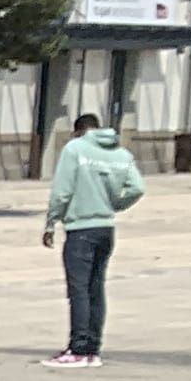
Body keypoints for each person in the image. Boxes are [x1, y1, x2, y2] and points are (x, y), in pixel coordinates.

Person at [41, 111, 144, 367]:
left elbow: (62, 191)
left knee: (78, 290)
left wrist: (51, 221)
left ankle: (77, 347)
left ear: (78, 131)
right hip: (106, 228)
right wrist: (114, 203)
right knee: (96, 289)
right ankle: (92, 349)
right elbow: (137, 187)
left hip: (80, 228)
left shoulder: (74, 149)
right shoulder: (121, 154)